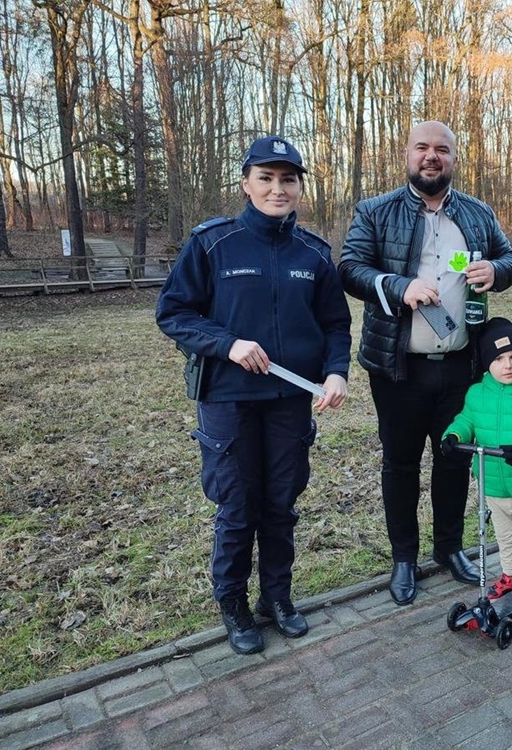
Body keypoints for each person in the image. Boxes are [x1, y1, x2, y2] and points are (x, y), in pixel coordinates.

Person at [156, 135, 352, 655]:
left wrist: (337, 374)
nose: (277, 188)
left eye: (288, 178)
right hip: (229, 400)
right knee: (238, 507)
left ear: (299, 186)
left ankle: (277, 599)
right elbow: (173, 313)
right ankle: (234, 605)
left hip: (290, 402)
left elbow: (335, 324)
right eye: (265, 178)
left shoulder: (313, 252)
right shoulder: (212, 243)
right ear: (245, 184)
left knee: (281, 504)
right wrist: (228, 344)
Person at [339, 121, 512, 606]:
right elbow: (350, 268)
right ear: (407, 154)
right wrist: (399, 288)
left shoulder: (479, 214)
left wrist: (495, 270)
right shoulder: (375, 212)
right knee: (400, 464)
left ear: (454, 159)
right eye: (422, 147)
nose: (431, 157)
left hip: (461, 366)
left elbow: (511, 260)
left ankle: (448, 549)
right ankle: (404, 558)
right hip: (398, 368)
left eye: (442, 150)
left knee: (453, 461)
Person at [440, 318, 512, 624]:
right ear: (486, 363)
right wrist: (453, 436)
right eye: (498, 359)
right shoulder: (477, 394)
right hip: (491, 483)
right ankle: (511, 575)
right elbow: (466, 420)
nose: (508, 366)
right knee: (503, 537)